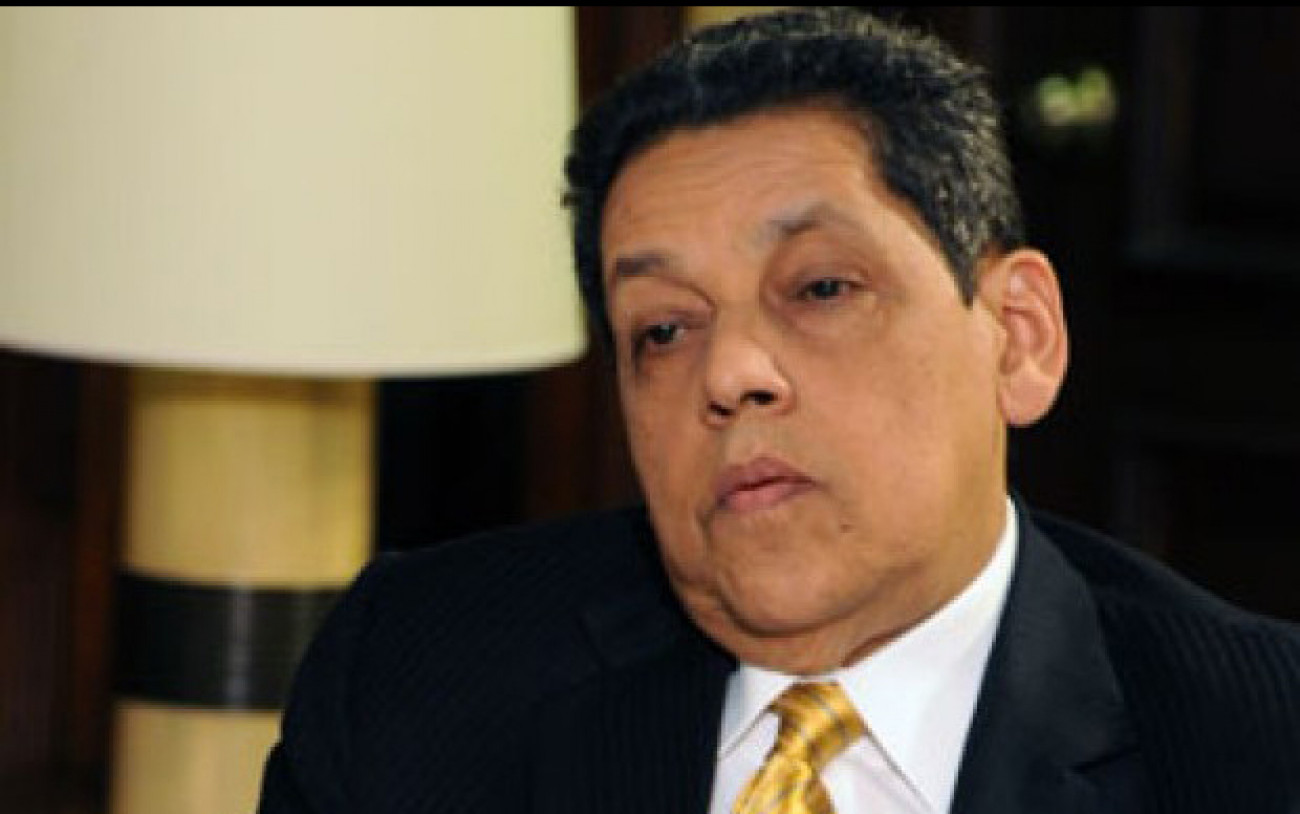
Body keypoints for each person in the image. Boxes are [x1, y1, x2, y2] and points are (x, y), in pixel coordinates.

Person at [258, 9, 1300, 813]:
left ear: (1017, 336)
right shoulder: (418, 680)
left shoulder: (1256, 747)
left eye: (820, 288)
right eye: (665, 329)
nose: (731, 373)